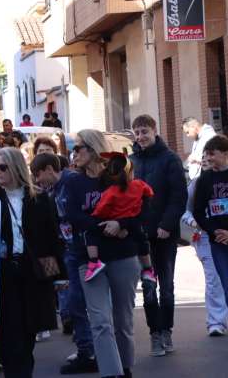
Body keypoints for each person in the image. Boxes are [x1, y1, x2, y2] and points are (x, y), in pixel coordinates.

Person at [65, 130, 140, 378]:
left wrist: (121, 224)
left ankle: (126, 368)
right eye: (73, 149)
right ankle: (112, 373)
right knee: (100, 321)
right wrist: (101, 225)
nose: (74, 153)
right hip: (88, 258)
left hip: (122, 253)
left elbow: (138, 210)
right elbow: (72, 216)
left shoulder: (118, 176)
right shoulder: (73, 182)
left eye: (78, 148)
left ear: (94, 149)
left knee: (123, 321)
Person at [0, 147, 62, 378]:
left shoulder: (39, 197)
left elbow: (53, 236)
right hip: (4, 274)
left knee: (28, 332)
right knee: (11, 336)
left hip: (33, 273)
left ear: (16, 167)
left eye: (2, 167)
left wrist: (61, 275)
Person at [30, 153, 97, 374]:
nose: (38, 181)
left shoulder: (71, 182)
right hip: (69, 251)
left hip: (82, 251)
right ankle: (86, 348)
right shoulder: (52, 191)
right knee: (71, 305)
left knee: (79, 303)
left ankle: (89, 351)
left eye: (38, 175)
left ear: (50, 169)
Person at [129, 114, 187, 356]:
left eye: (145, 131)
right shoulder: (130, 161)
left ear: (154, 130)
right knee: (149, 285)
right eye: (137, 133)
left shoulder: (170, 159)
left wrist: (166, 224)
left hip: (165, 234)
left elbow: (178, 197)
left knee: (167, 285)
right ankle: (154, 333)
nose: (141, 137)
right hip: (141, 235)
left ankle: (167, 331)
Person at [192, 134, 228, 354]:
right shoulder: (204, 180)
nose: (208, 158)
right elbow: (197, 212)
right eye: (206, 154)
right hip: (217, 241)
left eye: (212, 154)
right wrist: (214, 232)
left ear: (225, 153)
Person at [84, 152, 156, 285]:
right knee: (142, 241)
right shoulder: (139, 185)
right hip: (133, 225)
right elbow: (150, 192)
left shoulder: (111, 192)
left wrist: (100, 218)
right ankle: (148, 269)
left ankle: (93, 262)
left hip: (113, 229)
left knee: (90, 234)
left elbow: (101, 210)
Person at [183, 152, 228, 336]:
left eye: (211, 160)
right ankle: (216, 322)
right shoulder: (196, 184)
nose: (208, 164)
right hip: (204, 237)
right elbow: (185, 210)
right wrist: (194, 221)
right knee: (213, 279)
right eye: (204, 161)